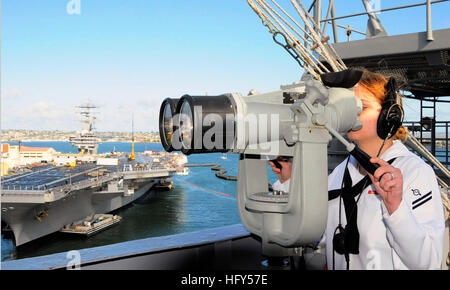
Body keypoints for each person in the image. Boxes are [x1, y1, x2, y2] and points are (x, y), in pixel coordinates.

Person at [269, 70, 445, 270]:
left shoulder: (415, 172)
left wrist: (396, 208)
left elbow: (428, 262)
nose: (350, 114)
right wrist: (288, 181)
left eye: (362, 107)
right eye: (347, 107)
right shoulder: (340, 173)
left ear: (389, 115)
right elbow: (316, 235)